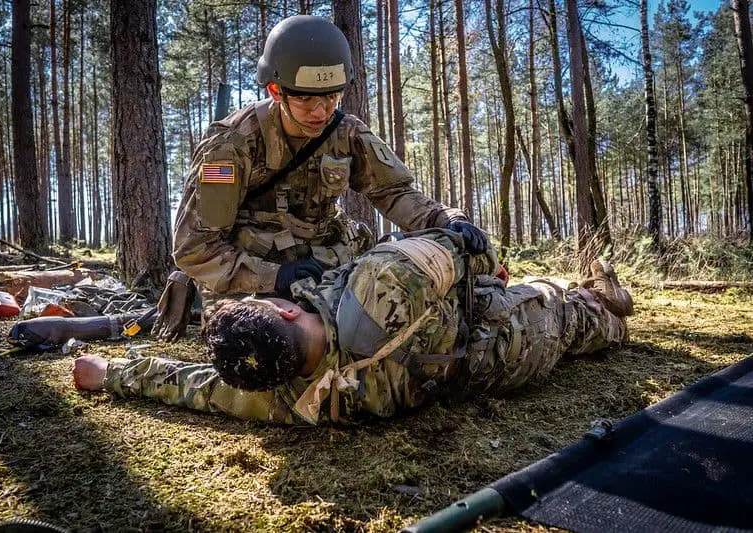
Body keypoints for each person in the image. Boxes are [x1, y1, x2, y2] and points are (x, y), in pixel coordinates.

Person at [74, 229, 633, 425]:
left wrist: (112, 374)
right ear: (287, 310)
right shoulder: (379, 285)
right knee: (571, 308)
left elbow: (193, 387)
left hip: (489, 373)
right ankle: (608, 303)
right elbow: (470, 249)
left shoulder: (287, 399)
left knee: (562, 318)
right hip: (512, 333)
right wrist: (482, 267)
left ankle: (598, 307)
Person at [167, 15, 487, 314]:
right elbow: (195, 249)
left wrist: (446, 219)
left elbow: (395, 193)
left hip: (326, 265)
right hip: (252, 279)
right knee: (273, 344)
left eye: (332, 97)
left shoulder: (346, 132)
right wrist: (274, 277)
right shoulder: (232, 145)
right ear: (276, 91)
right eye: (306, 99)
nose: (321, 112)